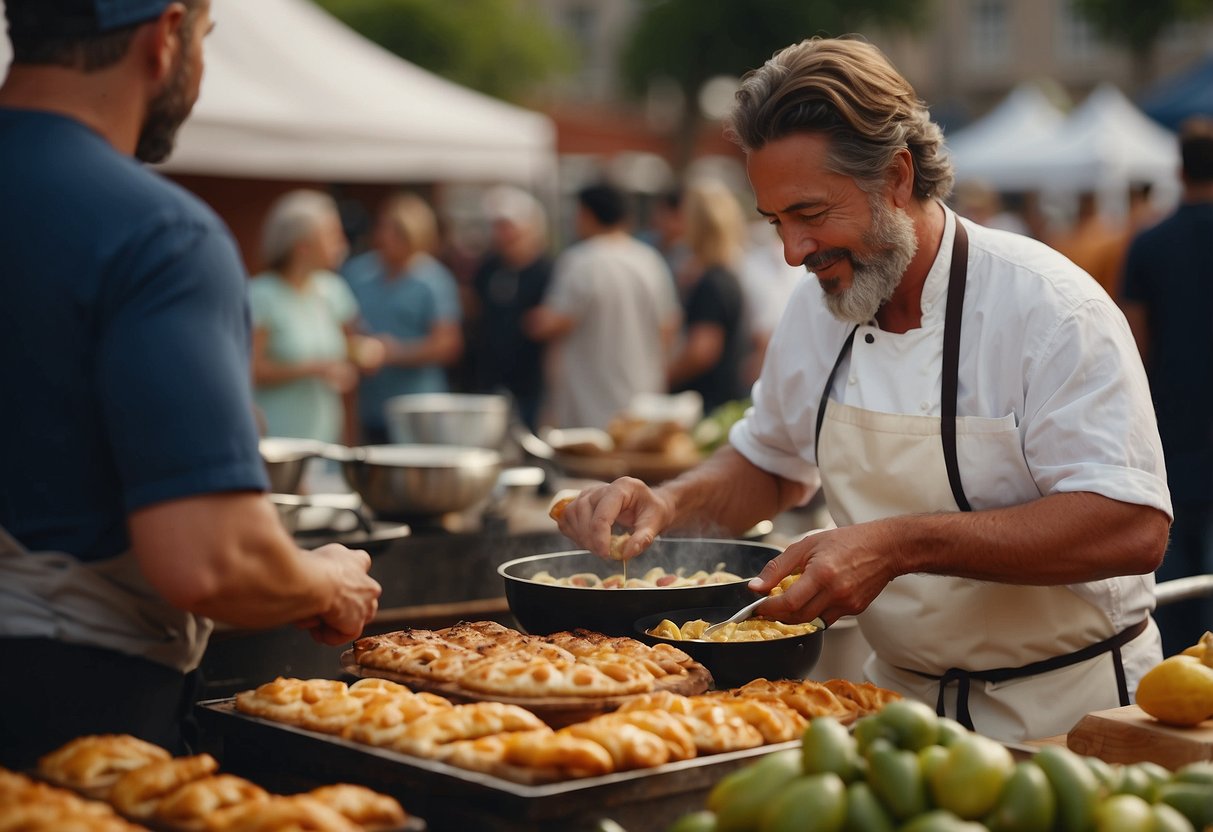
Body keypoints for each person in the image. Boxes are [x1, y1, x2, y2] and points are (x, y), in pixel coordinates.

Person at [553, 36, 1171, 743]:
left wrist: (899, 544)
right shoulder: (815, 307)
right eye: (775, 221)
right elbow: (766, 462)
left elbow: (1131, 527)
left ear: (897, 177)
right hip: (888, 713)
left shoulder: (1049, 309)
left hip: (1068, 718)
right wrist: (667, 503)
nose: (791, 251)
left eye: (810, 215)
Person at [0, 0, 381, 769]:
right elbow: (209, 561)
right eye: (204, 39)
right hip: (71, 712)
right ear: (166, 35)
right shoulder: (161, 236)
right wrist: (326, 580)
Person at [1120, 117, 1213, 656]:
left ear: (1178, 170)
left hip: (1169, 433)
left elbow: (1134, 344)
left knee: (1175, 605)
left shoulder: (1149, 244)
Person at [526, 183, 681, 431]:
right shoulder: (649, 259)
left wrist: (530, 320)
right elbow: (668, 326)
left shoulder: (580, 261)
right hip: (642, 394)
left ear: (586, 215)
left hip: (589, 400)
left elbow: (556, 322)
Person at [250, 189, 383, 445]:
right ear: (302, 245)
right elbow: (251, 370)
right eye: (331, 234)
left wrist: (365, 353)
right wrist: (314, 368)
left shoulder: (333, 291)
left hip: (325, 436)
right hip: (277, 439)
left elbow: (351, 345)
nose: (341, 244)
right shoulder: (261, 295)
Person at [342, 192, 463, 444]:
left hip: (418, 408)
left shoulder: (433, 280)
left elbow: (447, 344)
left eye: (397, 232)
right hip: (371, 405)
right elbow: (346, 324)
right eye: (384, 228)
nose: (386, 237)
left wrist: (395, 352)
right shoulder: (358, 274)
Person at [468, 186, 554, 431]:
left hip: (530, 382)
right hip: (490, 379)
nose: (502, 235)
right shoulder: (489, 269)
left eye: (508, 227)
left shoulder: (545, 271)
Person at [666, 179, 749, 413]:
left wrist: (663, 378)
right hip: (722, 401)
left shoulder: (712, 282)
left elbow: (702, 351)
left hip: (707, 406)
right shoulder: (726, 275)